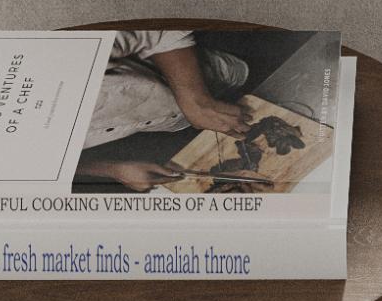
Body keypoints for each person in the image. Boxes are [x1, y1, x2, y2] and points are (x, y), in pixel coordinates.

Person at [72, 29, 256, 193]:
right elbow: (46, 164)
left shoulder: (64, 52)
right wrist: (112, 169)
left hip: (211, 65)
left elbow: (160, 29)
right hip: (168, 128)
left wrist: (196, 100)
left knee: (251, 71)